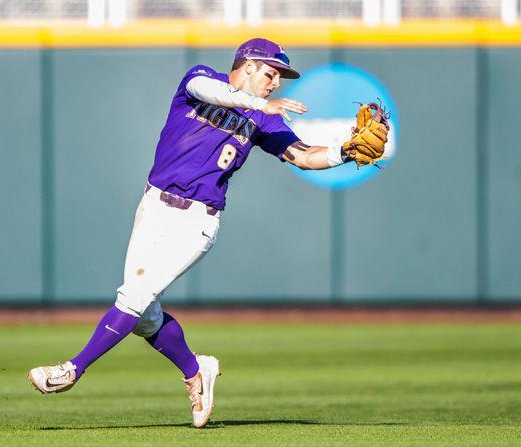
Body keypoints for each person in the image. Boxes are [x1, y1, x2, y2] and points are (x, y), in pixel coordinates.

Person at [29, 37, 358, 428]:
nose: (275, 84)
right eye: (271, 73)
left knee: (133, 296)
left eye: (279, 78)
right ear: (248, 65)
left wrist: (345, 151)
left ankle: (71, 369)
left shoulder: (265, 119)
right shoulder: (202, 79)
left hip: (198, 220)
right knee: (146, 316)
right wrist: (257, 103)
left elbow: (303, 156)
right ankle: (196, 370)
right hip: (154, 205)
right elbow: (209, 91)